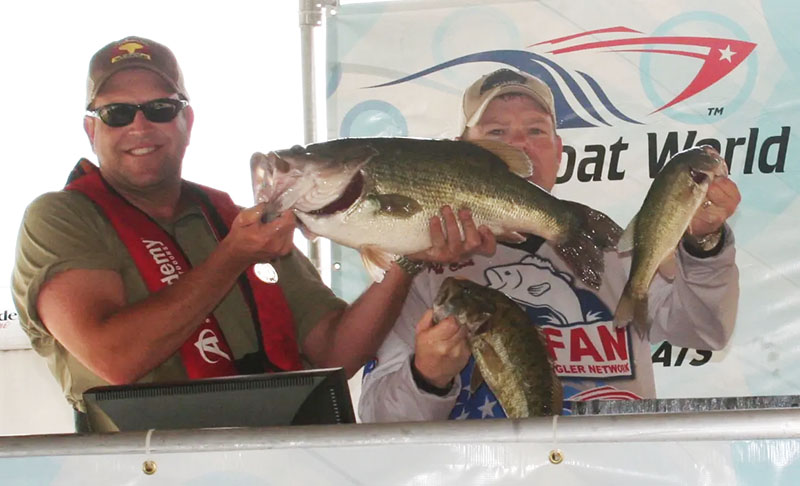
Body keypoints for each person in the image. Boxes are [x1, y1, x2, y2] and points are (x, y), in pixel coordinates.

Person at [10, 36, 494, 432]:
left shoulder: (237, 221)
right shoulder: (61, 218)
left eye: (160, 108)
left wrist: (408, 256)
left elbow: (335, 352)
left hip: (271, 451)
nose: (140, 124)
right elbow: (116, 358)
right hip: (139, 463)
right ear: (91, 130)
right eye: (117, 113)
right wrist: (234, 256)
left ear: (186, 121)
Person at [358, 68, 741, 421]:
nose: (519, 146)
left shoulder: (605, 241)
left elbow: (704, 331)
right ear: (462, 153)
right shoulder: (421, 264)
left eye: (536, 131)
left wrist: (704, 244)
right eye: (495, 134)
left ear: (559, 152)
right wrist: (427, 376)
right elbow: (379, 422)